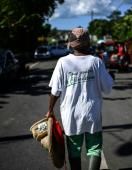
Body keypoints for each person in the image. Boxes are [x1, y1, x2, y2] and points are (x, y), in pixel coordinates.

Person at [46, 27, 114, 170]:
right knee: (94, 148)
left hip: (71, 116)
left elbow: (55, 91)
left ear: (70, 43)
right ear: (88, 42)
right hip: (92, 114)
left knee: (74, 150)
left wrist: (50, 110)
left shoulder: (63, 62)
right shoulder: (96, 62)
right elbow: (107, 88)